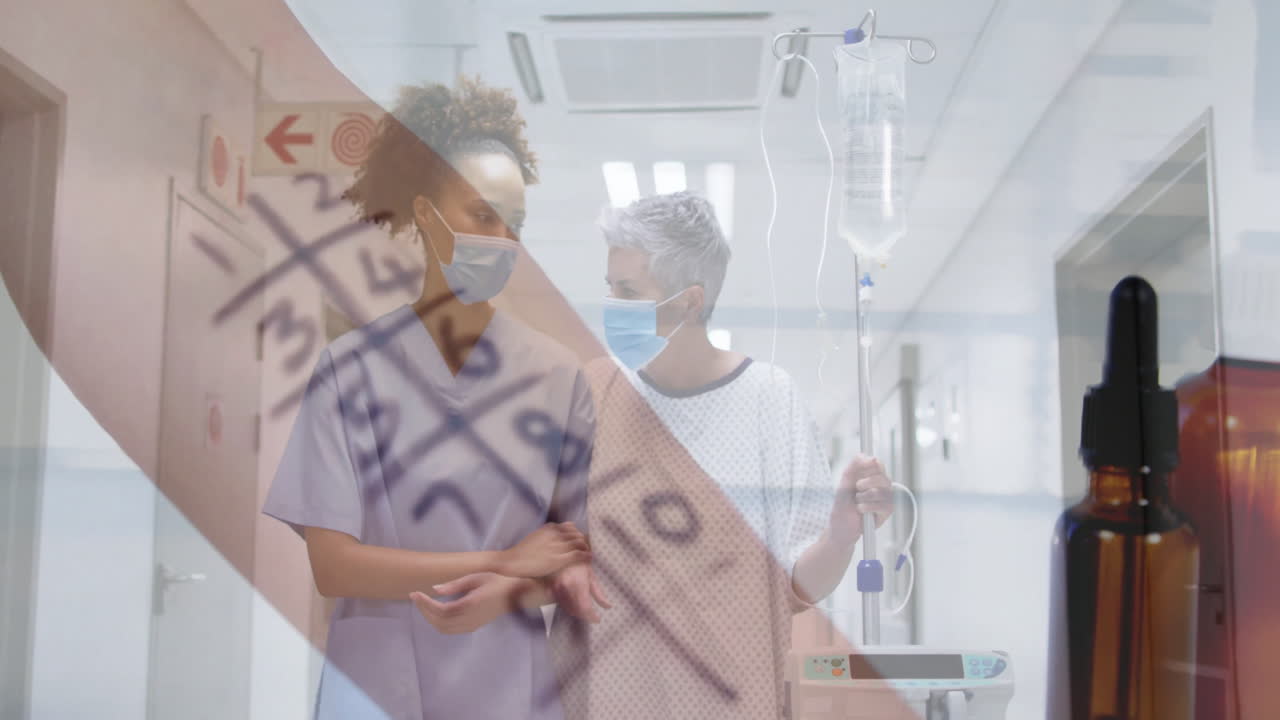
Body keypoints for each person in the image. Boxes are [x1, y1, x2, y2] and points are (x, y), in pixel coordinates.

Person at [262, 77, 608, 720]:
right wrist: (501, 560)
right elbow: (335, 567)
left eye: (516, 222)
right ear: (426, 213)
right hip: (375, 674)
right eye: (482, 214)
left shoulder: (558, 377)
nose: (502, 237)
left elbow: (569, 562)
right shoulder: (350, 369)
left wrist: (505, 590)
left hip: (508, 682)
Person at [551, 190, 896, 719]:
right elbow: (548, 543)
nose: (613, 306)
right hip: (607, 699)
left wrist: (842, 533)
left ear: (690, 300)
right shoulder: (596, 394)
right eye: (610, 288)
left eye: (629, 290)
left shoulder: (767, 399)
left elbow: (798, 585)